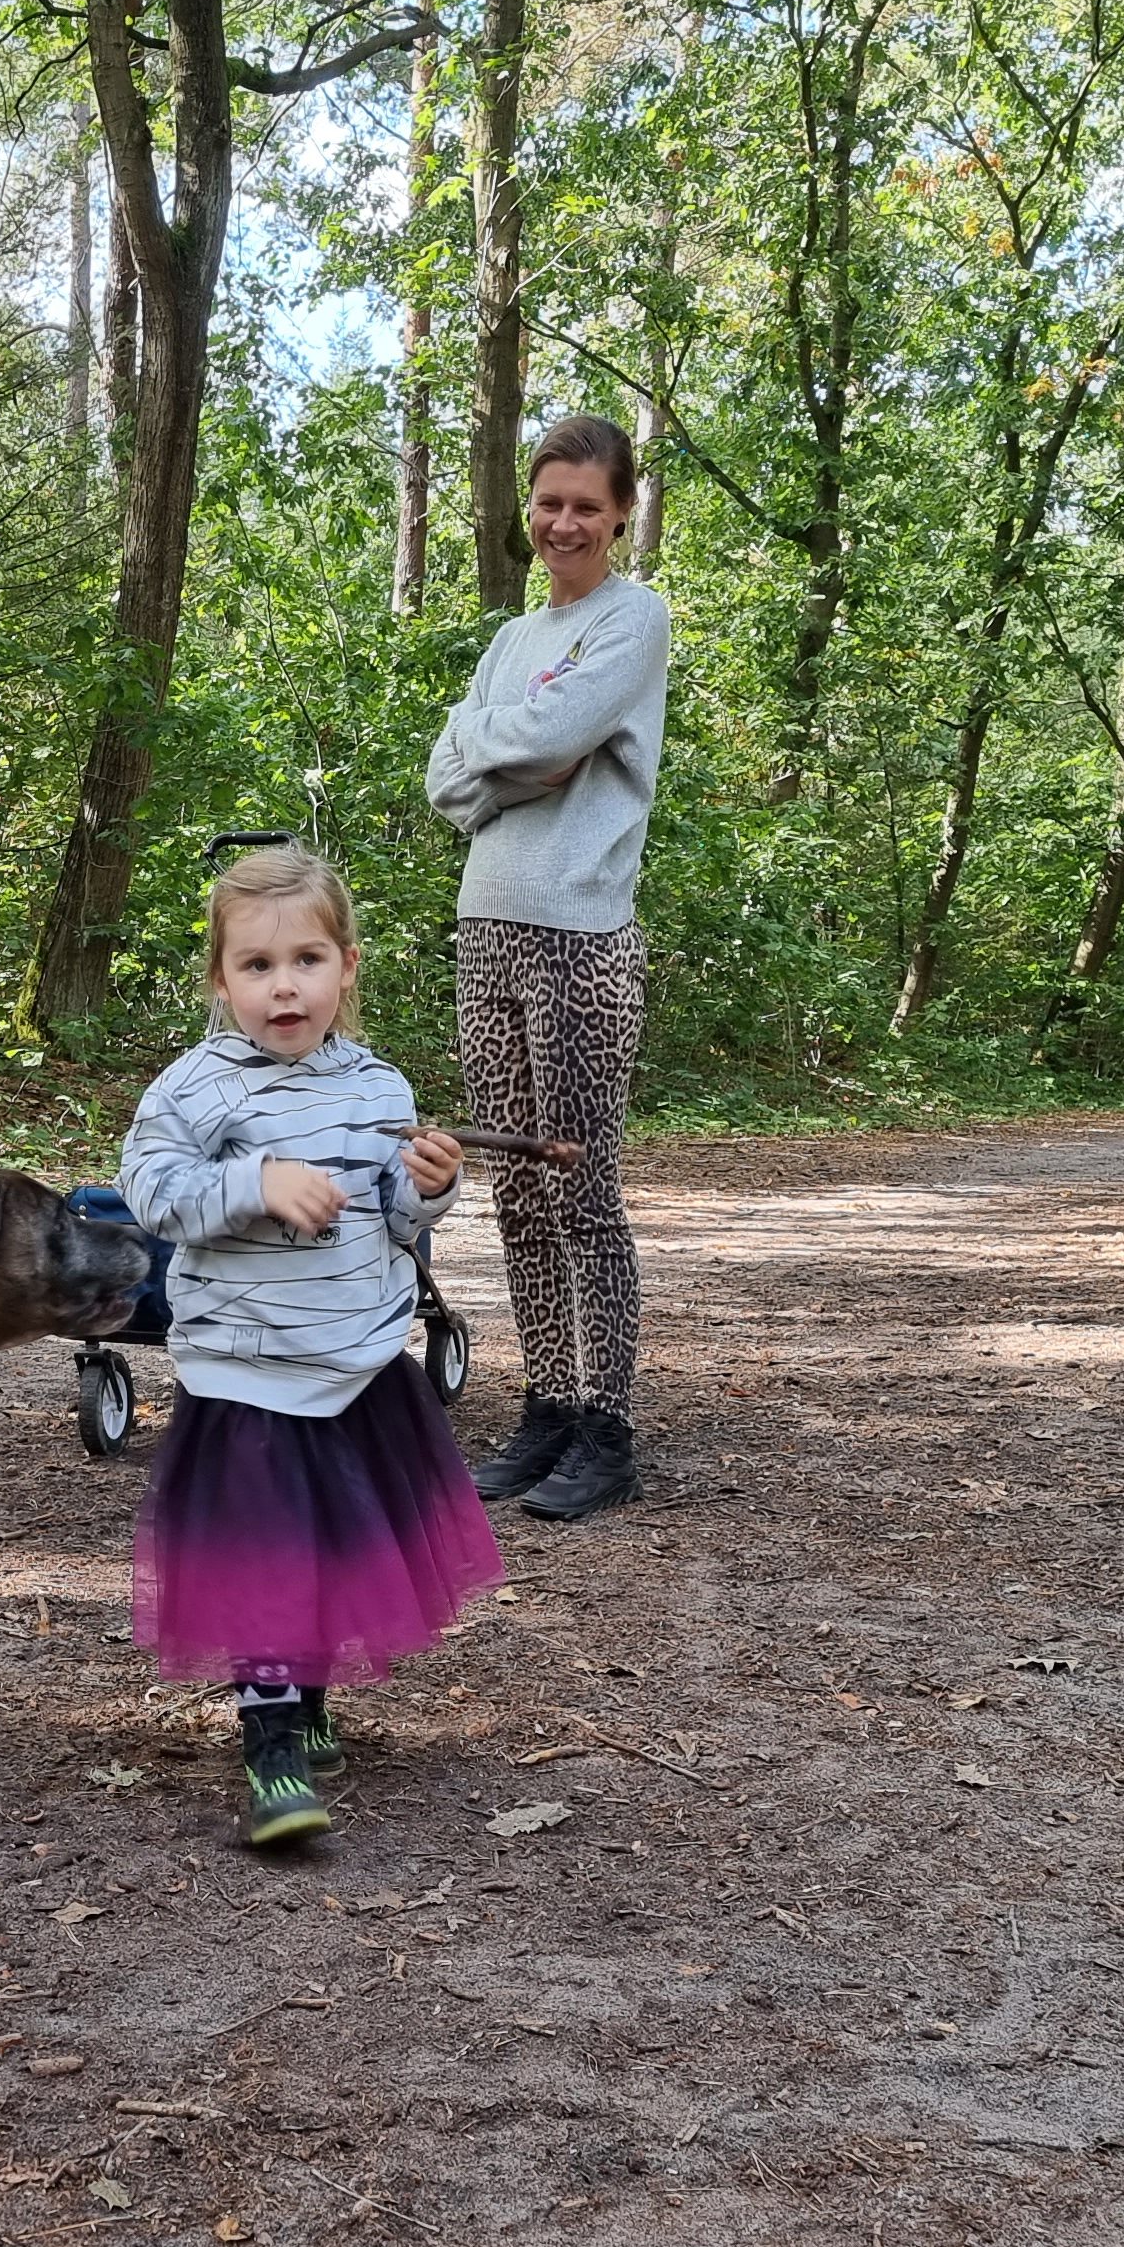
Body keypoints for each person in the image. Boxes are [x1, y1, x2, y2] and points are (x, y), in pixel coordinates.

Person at [119, 844, 511, 1848]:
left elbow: (396, 1220)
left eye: (305, 959)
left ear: (346, 968)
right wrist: (253, 1183)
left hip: (355, 1364)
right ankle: (272, 1746)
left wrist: (425, 1186)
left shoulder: (378, 1086)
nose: (282, 983)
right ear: (221, 980)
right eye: (255, 965)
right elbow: (152, 1195)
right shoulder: (193, 1090)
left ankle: (311, 1688)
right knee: (264, 1552)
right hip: (247, 1369)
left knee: (334, 1540)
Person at [425, 414, 669, 1524]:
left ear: (619, 511)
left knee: (581, 1184)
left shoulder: (636, 618)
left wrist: (513, 744)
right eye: (547, 501)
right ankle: (546, 1406)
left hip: (580, 938)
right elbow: (451, 778)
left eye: (585, 504)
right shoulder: (509, 639)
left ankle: (606, 1427)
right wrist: (520, 750)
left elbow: (549, 735)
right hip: (486, 928)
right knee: (516, 1186)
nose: (562, 521)